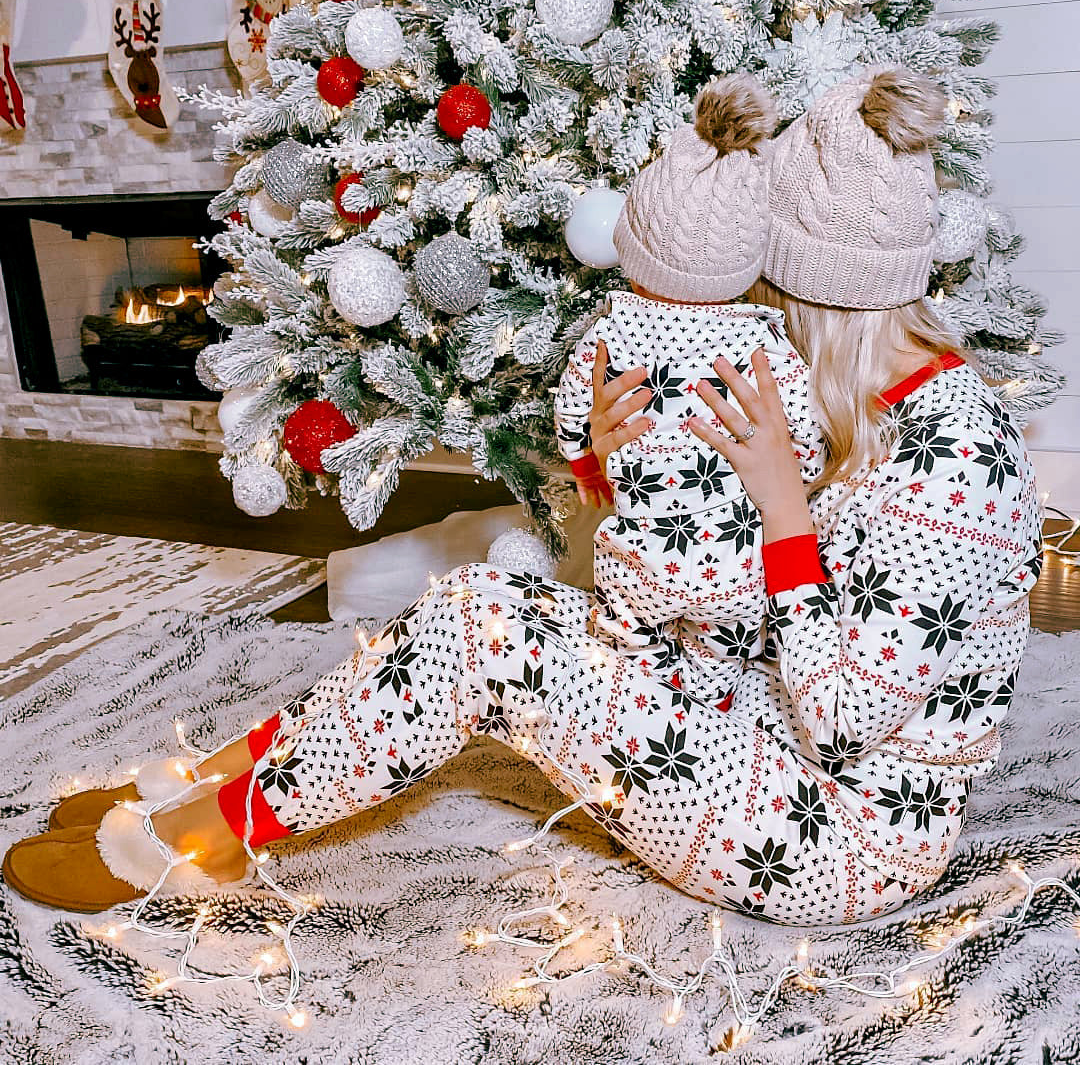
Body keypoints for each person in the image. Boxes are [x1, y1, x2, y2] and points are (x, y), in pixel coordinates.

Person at [3, 68, 1042, 928]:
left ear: (821, 301)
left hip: (838, 838)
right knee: (473, 610)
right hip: (761, 726)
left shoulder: (959, 462)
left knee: (496, 649)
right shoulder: (873, 406)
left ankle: (200, 838)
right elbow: (726, 603)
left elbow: (847, 719)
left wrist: (781, 509)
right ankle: (190, 789)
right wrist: (614, 454)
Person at [554, 73, 824, 672]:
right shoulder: (763, 340)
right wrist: (798, 476)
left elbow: (575, 406)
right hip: (739, 559)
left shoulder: (610, 330)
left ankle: (641, 706)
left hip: (639, 553)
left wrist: (585, 465)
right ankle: (716, 704)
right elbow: (799, 428)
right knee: (724, 660)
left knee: (627, 652)